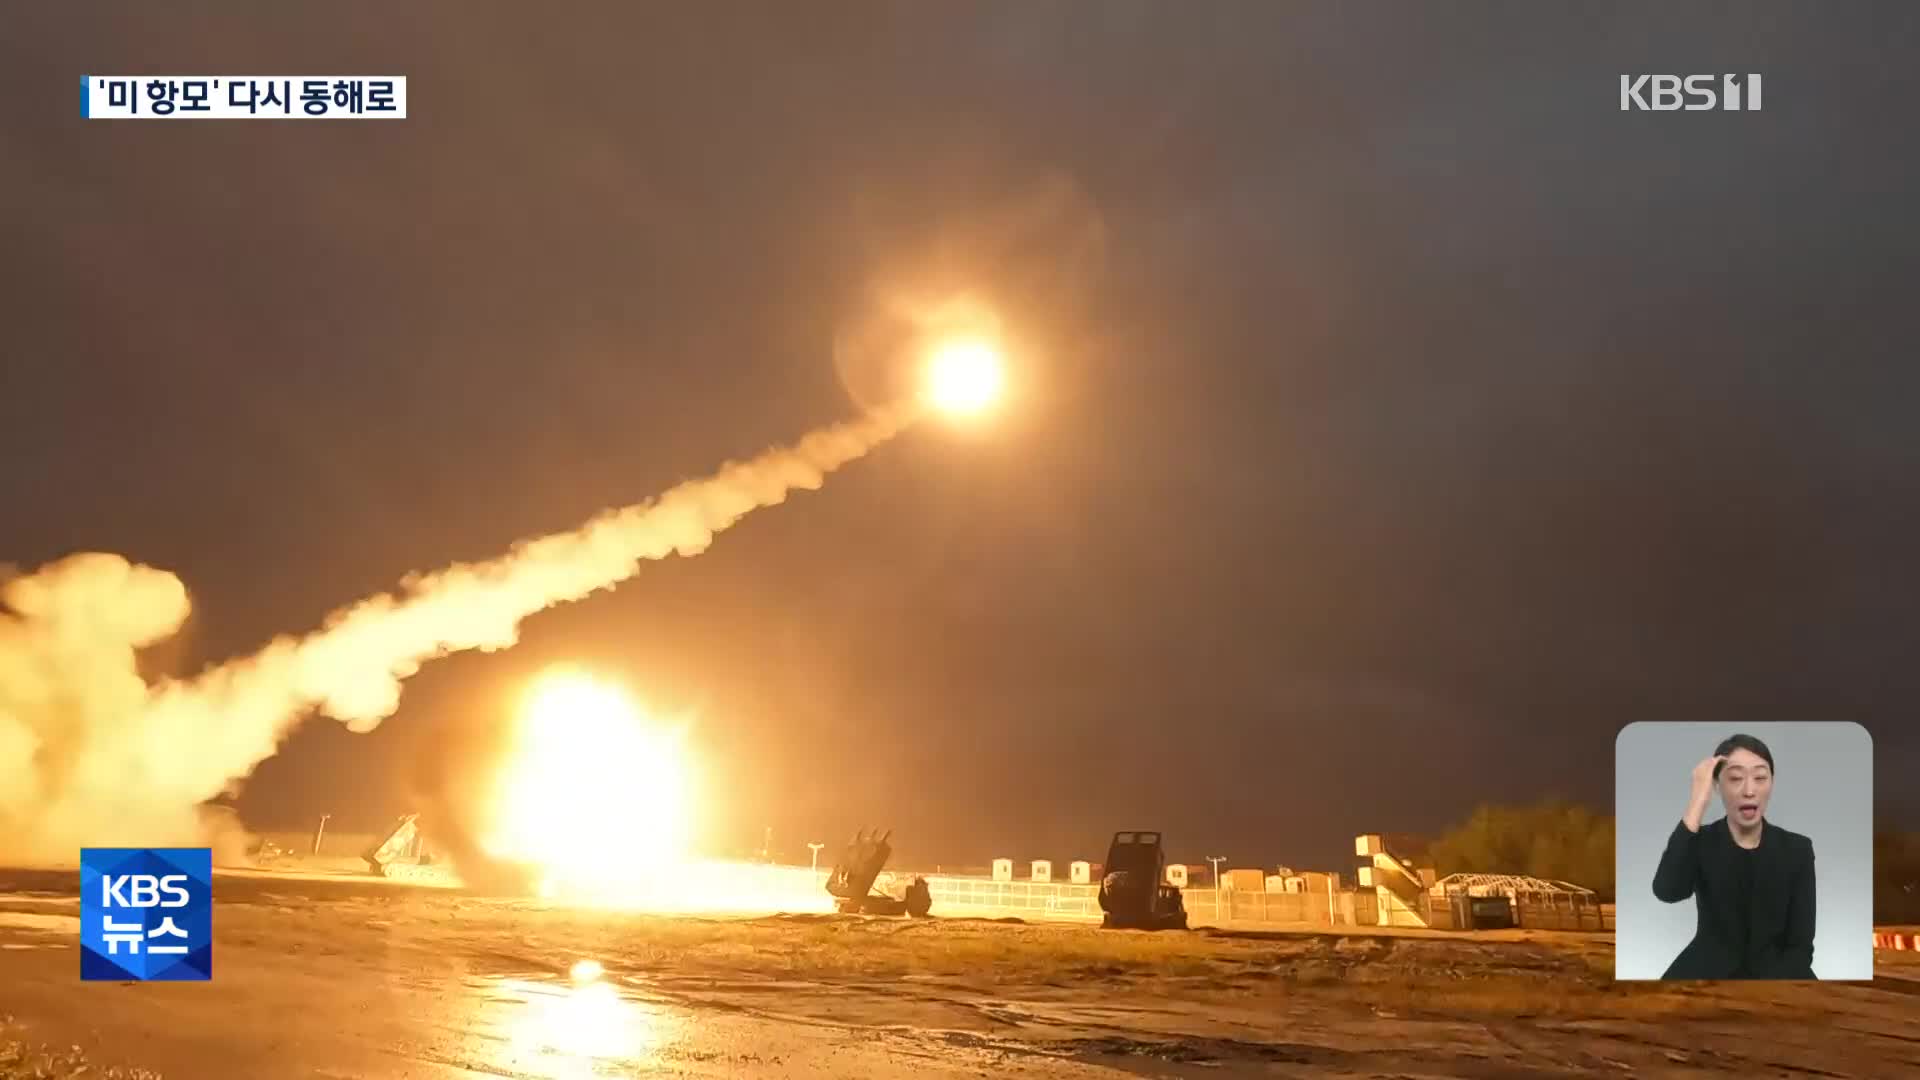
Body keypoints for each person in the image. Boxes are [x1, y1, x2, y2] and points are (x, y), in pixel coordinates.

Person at [1652, 733, 1817, 979]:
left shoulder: (1797, 850)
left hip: (1779, 974)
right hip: (1705, 970)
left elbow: (1800, 945)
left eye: (1760, 777)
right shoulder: (1701, 842)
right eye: (1736, 778)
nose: (1749, 790)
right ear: (1717, 785)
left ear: (1771, 783)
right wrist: (1697, 802)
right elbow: (1667, 891)